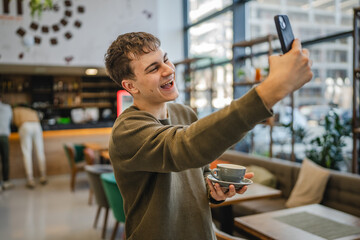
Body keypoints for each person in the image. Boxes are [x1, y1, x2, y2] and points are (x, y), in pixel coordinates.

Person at [105, 32, 312, 240]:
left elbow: (200, 171)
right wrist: (273, 88)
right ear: (131, 86)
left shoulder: (184, 113)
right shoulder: (127, 130)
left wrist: (213, 191)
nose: (168, 70)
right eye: (153, 68)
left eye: (165, 59)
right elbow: (183, 147)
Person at [12, 104, 47, 188]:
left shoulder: (16, 110)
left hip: (25, 126)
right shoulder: (31, 110)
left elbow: (15, 122)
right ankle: (43, 176)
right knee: (40, 151)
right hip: (37, 126)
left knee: (27, 153)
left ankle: (30, 180)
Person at [0, 94, 13, 192]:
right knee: (5, 159)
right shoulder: (7, 108)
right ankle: (6, 182)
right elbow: (11, 121)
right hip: (4, 135)